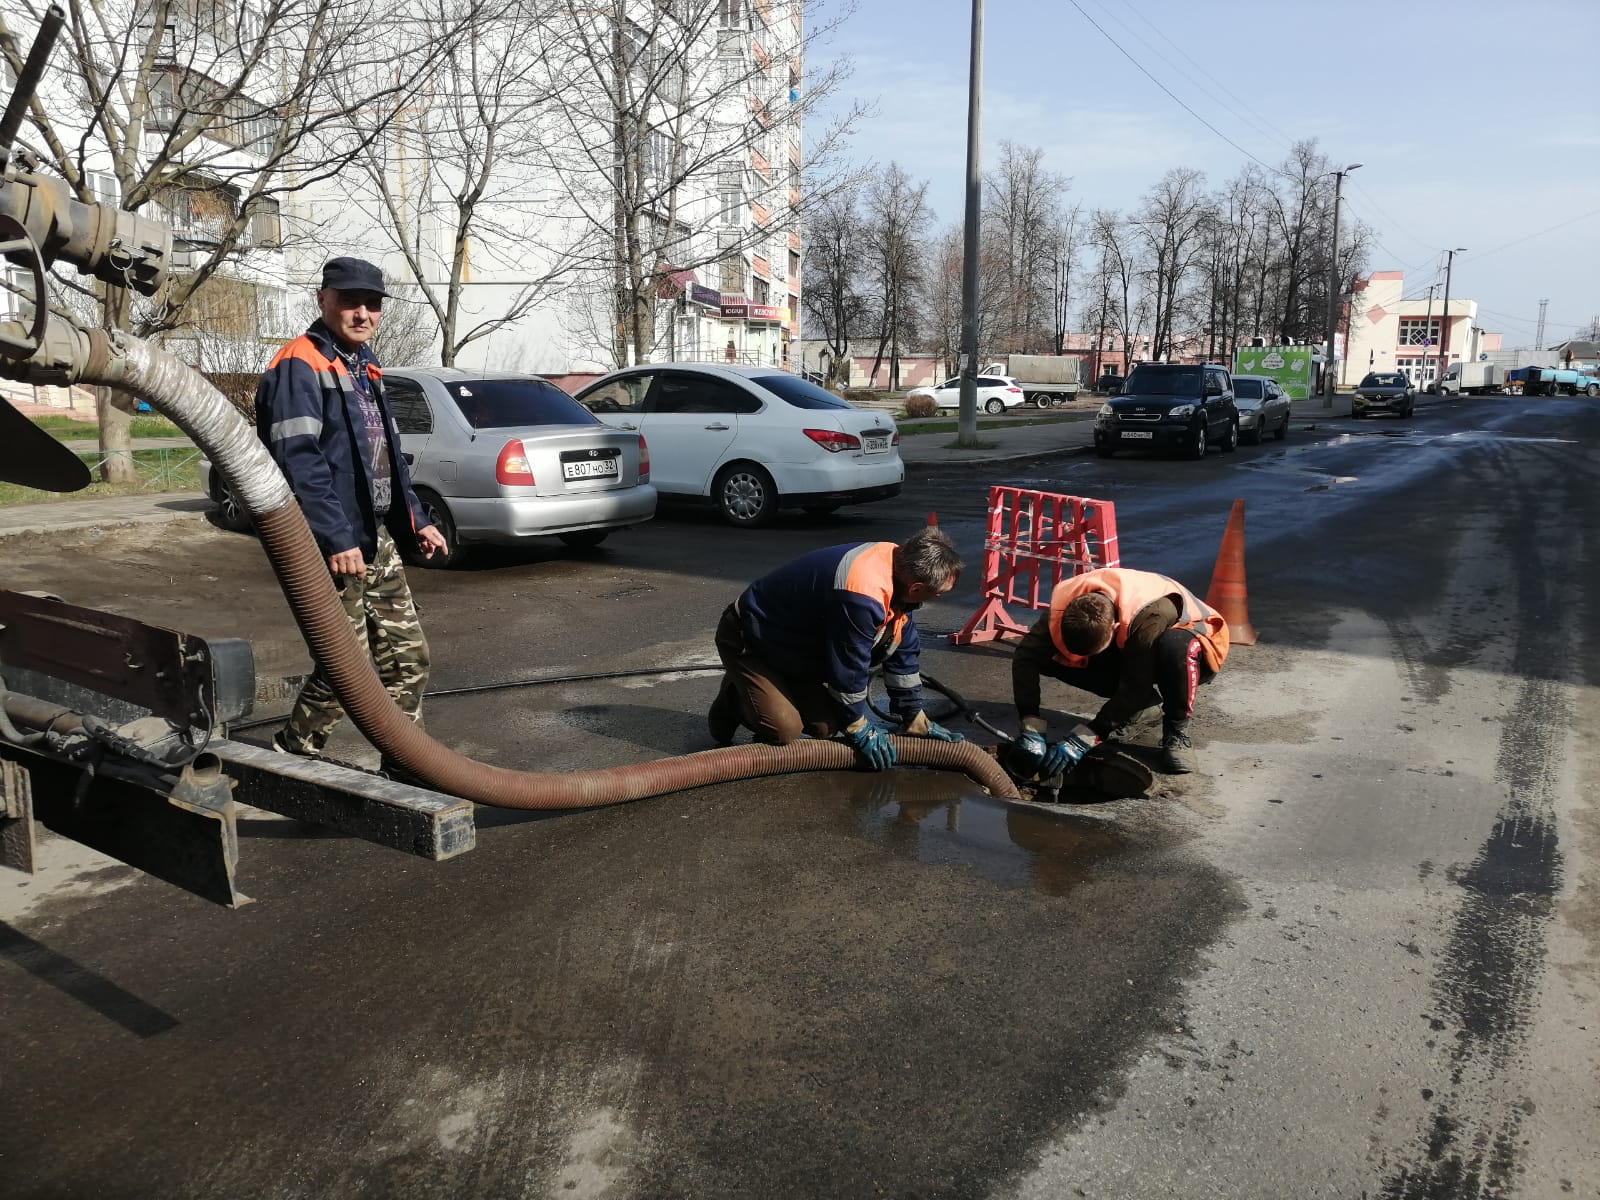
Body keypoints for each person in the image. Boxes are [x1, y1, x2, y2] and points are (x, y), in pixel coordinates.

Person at [255, 256, 448, 760]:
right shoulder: (300, 363)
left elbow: (385, 460)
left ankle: (409, 762)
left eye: (372, 304)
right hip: (332, 543)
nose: (362, 313)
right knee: (348, 667)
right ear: (323, 300)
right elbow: (299, 461)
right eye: (349, 301)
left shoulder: (364, 367)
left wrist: (417, 520)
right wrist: (335, 537)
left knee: (409, 660)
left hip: (375, 536)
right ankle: (294, 752)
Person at [707, 528, 966, 770]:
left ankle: (766, 690)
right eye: (939, 593)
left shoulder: (898, 564)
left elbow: (902, 649)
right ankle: (734, 698)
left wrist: (912, 715)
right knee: (784, 729)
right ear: (916, 589)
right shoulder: (861, 592)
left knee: (824, 727)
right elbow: (849, 666)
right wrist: (857, 726)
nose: (939, 597)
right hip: (750, 639)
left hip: (793, 649)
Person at [1010, 567, 1229, 777]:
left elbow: (1136, 685)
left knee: (1173, 647)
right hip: (1131, 641)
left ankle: (1177, 731)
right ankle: (1144, 708)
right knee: (1044, 656)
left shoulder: (1148, 617)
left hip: (1195, 644)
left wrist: (1090, 734)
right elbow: (1024, 656)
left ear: (1114, 628)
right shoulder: (1061, 610)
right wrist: (1030, 722)